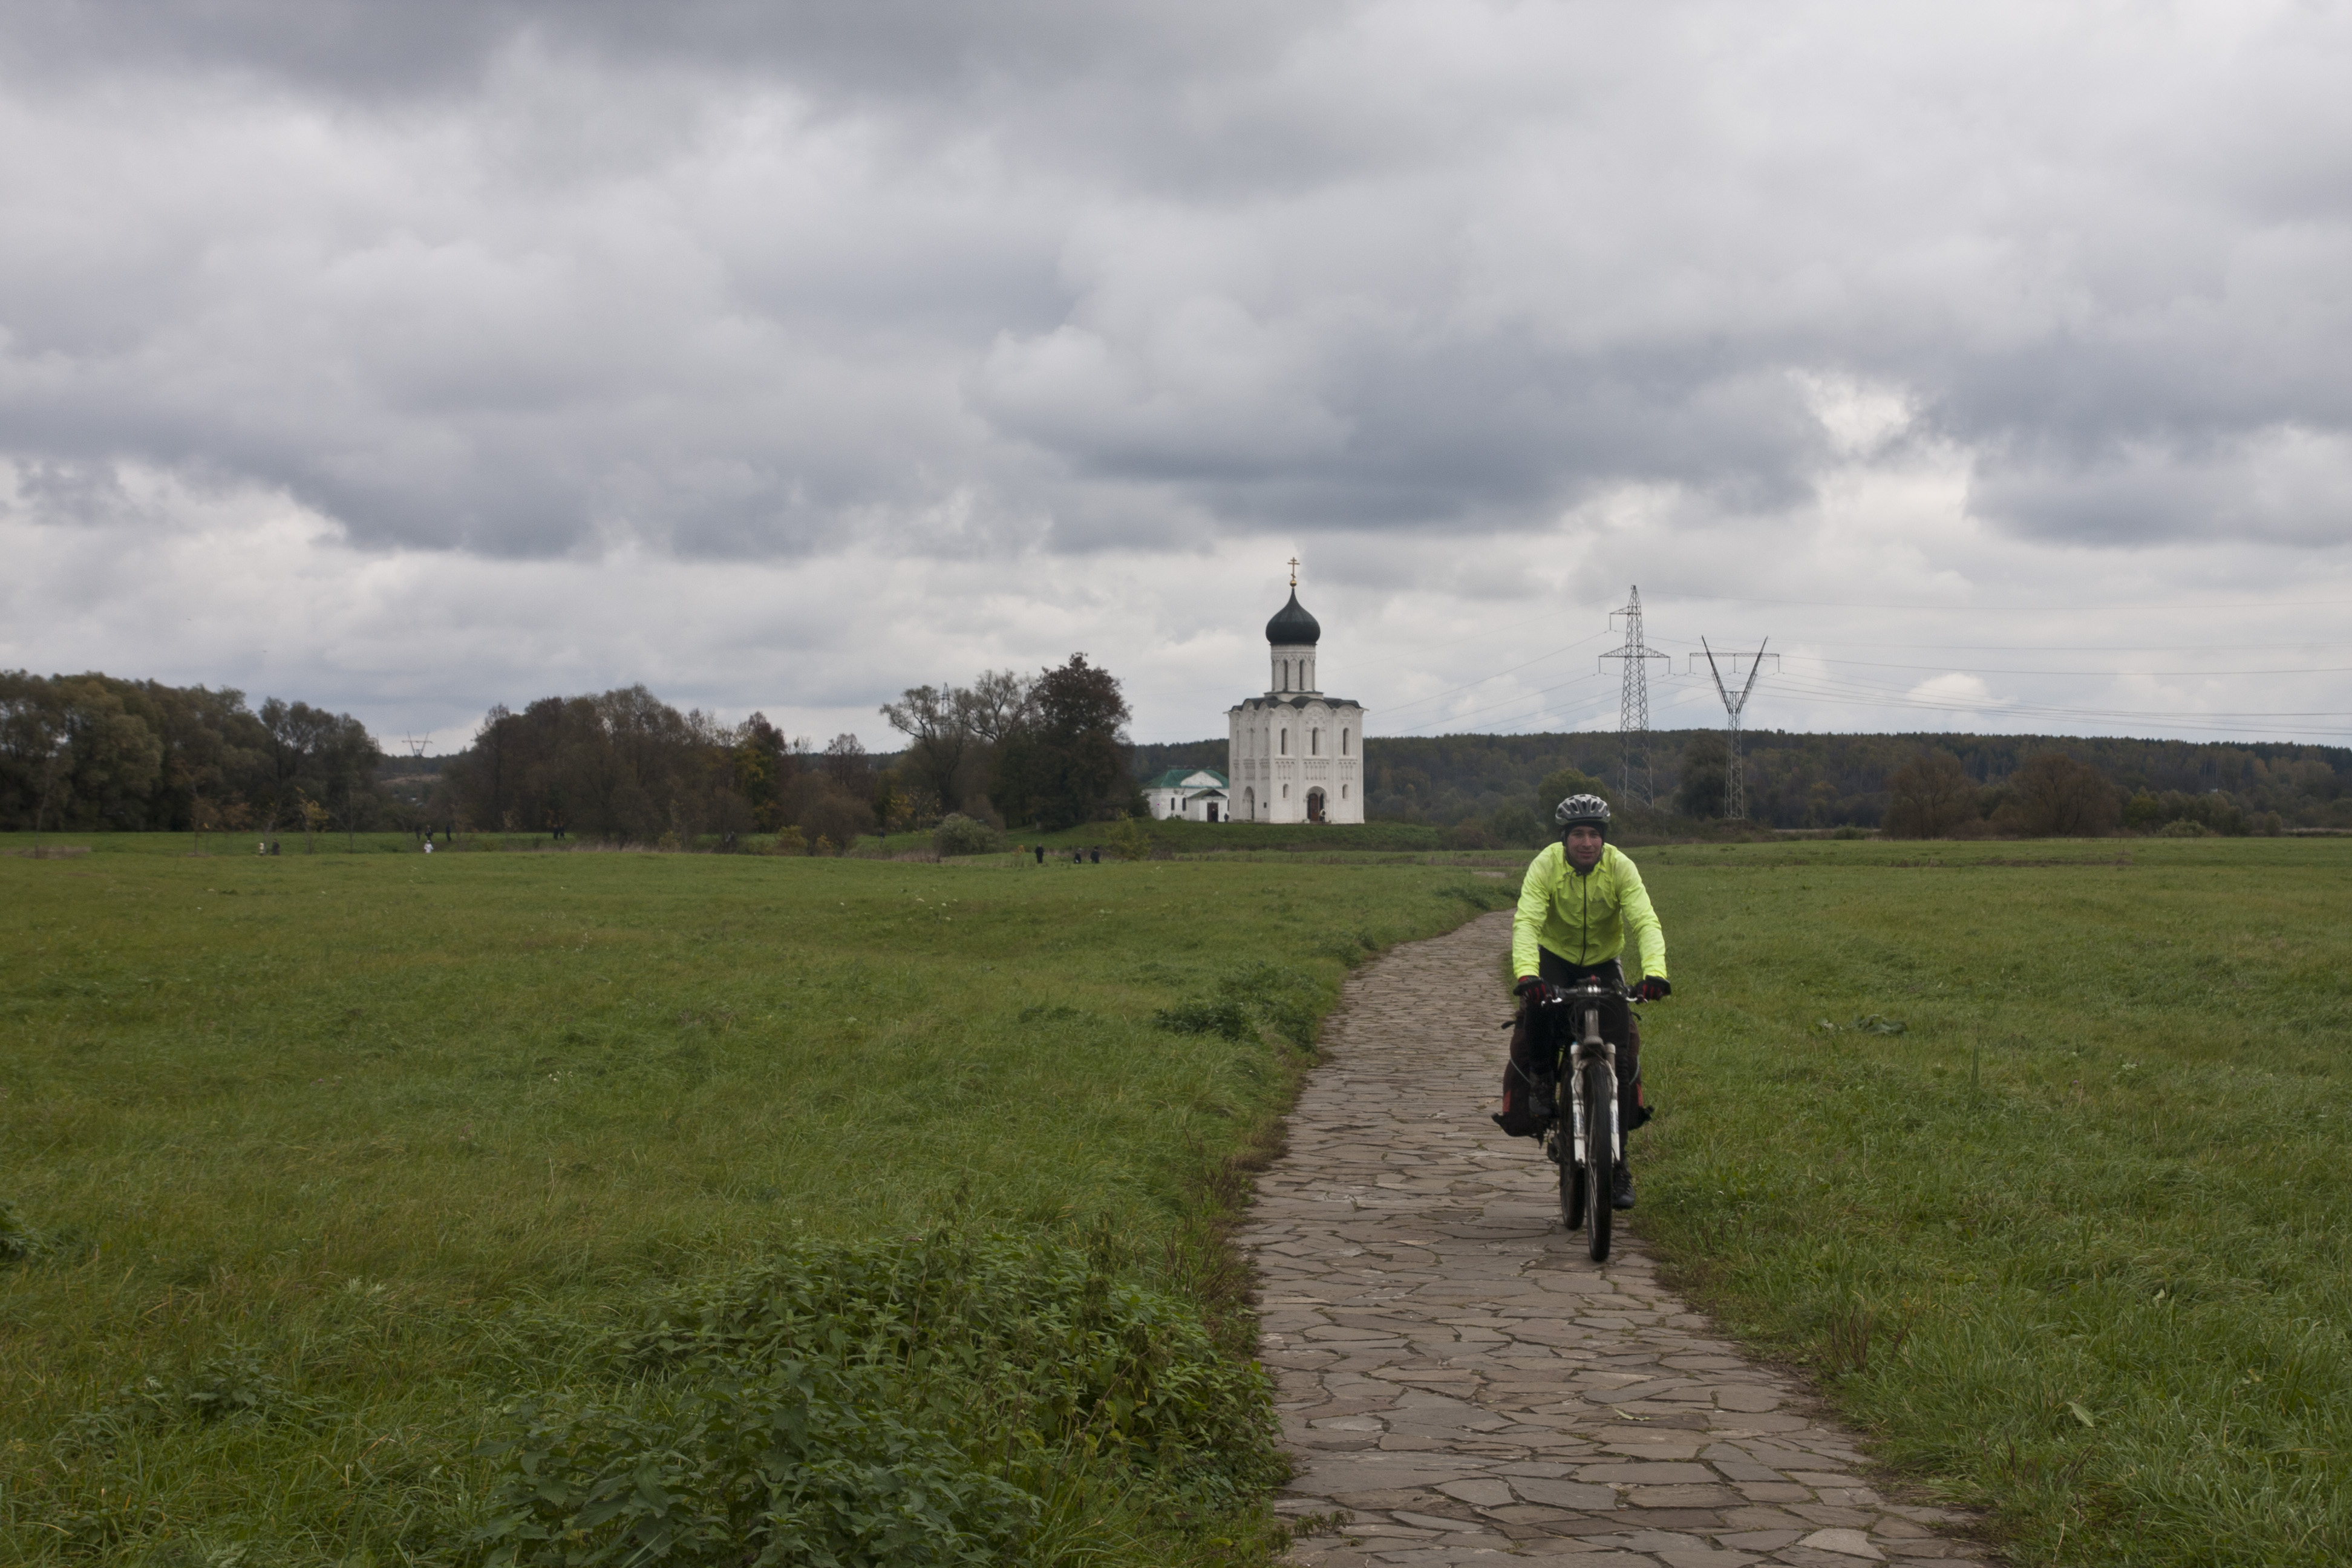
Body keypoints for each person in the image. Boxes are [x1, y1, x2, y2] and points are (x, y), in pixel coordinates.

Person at [1497, 792, 1670, 1210]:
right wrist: (1528, 975)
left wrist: (1655, 974)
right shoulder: (1546, 865)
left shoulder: (1620, 866)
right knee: (1538, 1011)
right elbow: (1527, 921)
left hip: (1604, 962)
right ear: (1565, 838)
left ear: (1604, 838)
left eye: (1594, 834)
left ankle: (1619, 1166)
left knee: (1620, 1057)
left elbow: (1644, 920)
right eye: (1578, 834)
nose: (1587, 842)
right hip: (1554, 958)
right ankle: (1542, 1077)